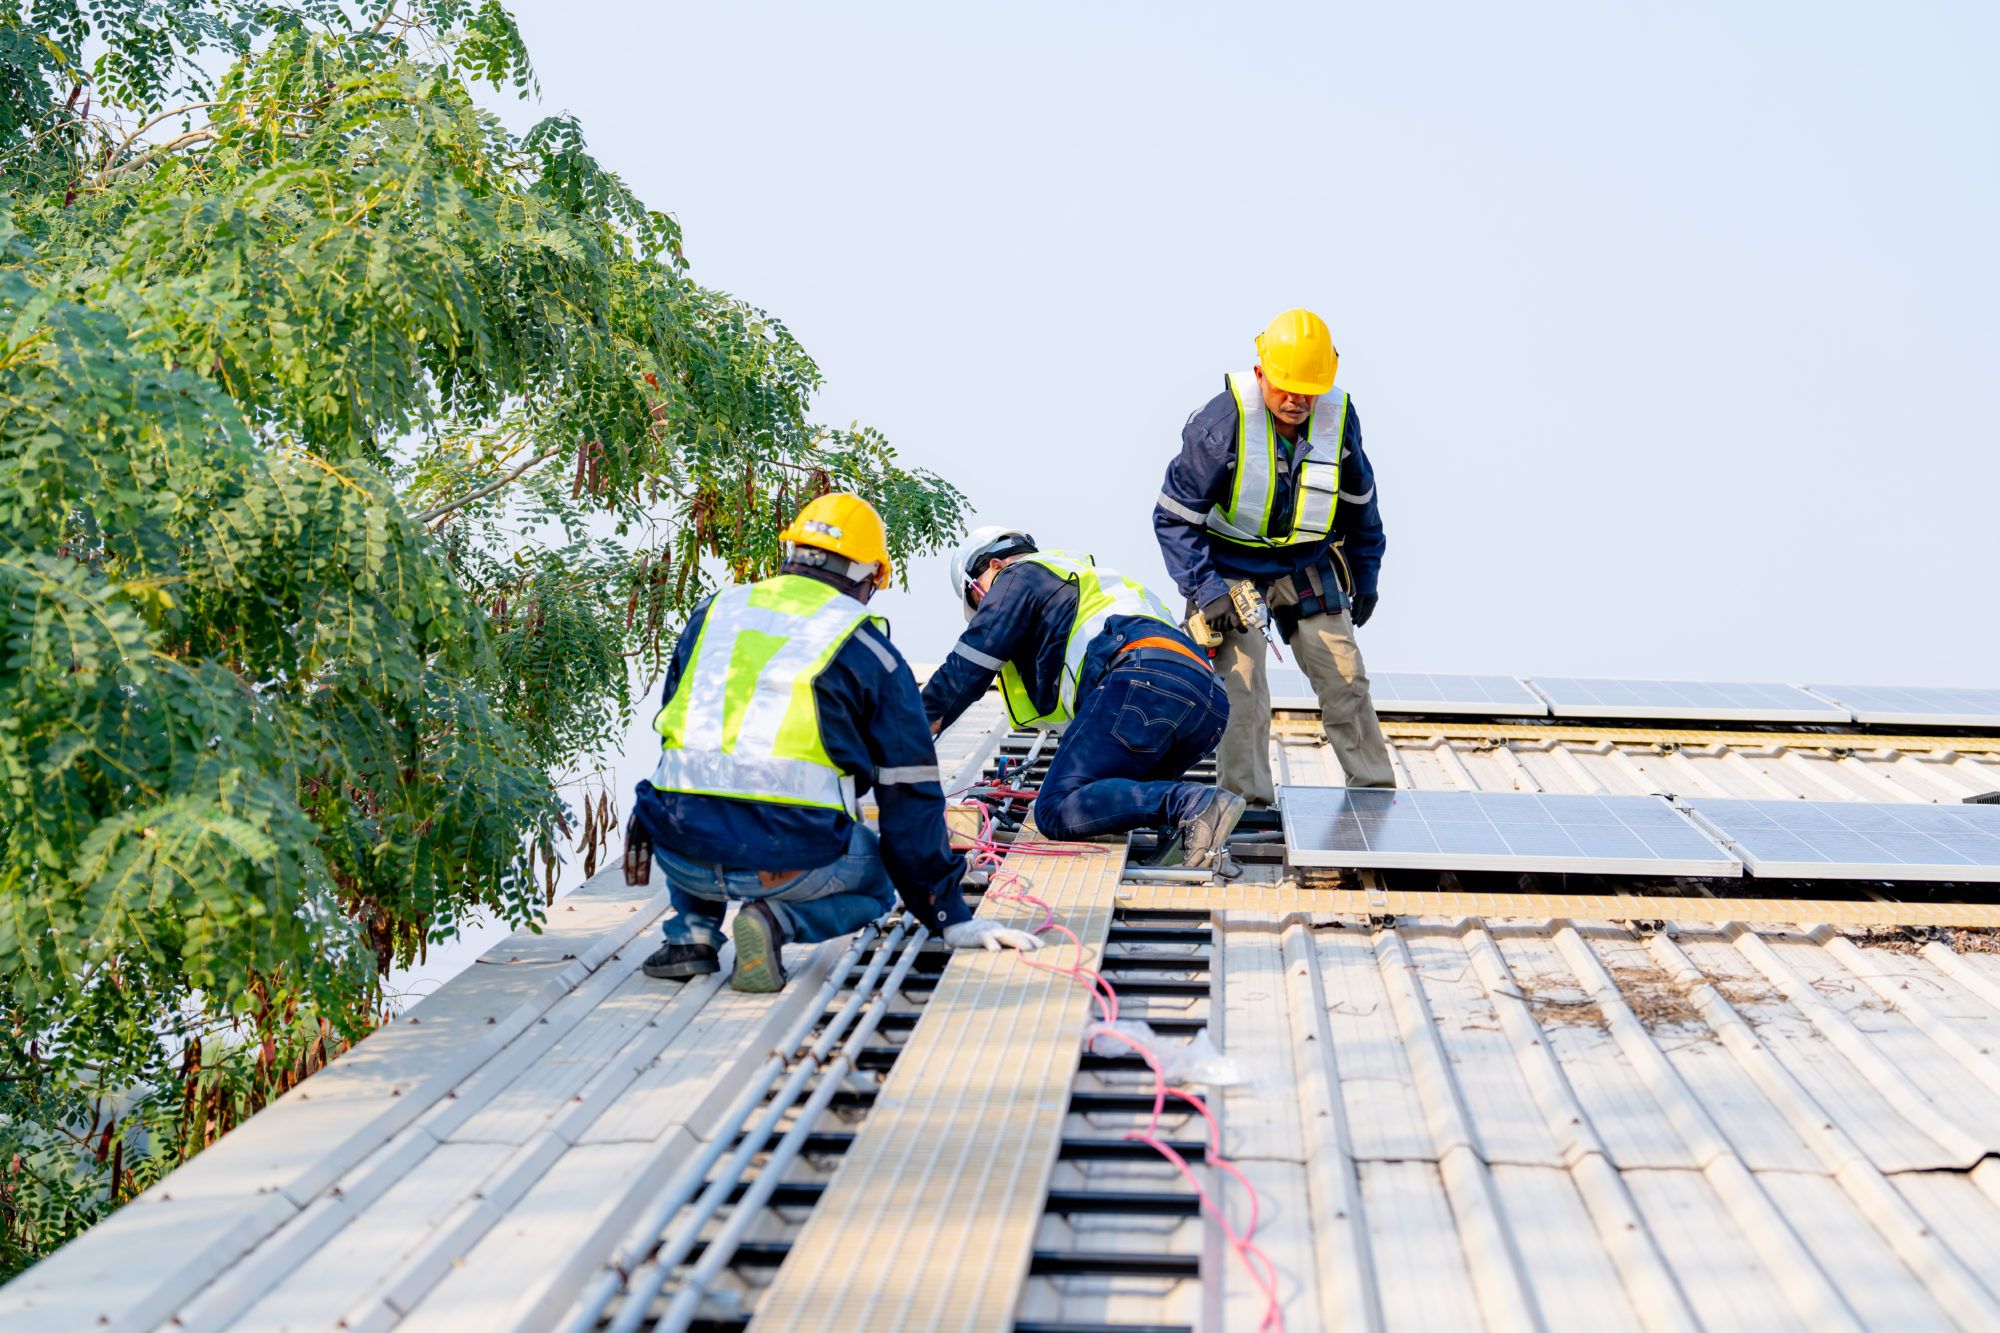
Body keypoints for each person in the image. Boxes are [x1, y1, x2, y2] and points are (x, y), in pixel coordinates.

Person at [632, 494, 1041, 991]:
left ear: (792, 555)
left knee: (702, 792)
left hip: (677, 849)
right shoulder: (868, 647)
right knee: (882, 878)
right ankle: (775, 923)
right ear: (869, 577)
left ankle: (690, 936)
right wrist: (948, 914)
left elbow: (679, 735)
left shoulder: (713, 613)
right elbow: (908, 797)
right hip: (787, 864)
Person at [1152, 308, 1396, 806]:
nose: (1297, 399)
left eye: (1309, 387)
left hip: (1307, 562)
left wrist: (1366, 576)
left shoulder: (1338, 421)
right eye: (1286, 385)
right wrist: (1206, 590)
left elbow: (1361, 509)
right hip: (1229, 568)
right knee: (1240, 689)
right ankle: (1245, 805)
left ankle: (1375, 802)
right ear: (1262, 373)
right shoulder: (1219, 427)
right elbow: (1173, 518)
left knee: (1345, 676)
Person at [921, 527, 1242, 867]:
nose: (987, 607)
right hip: (1208, 702)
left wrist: (913, 729)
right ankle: (1189, 828)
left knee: (1055, 806)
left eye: (978, 597)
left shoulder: (1019, 575)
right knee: (1112, 794)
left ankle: (1193, 805)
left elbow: (968, 667)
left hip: (1141, 682)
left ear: (996, 567)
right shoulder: (1094, 581)